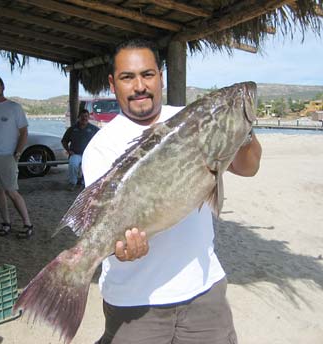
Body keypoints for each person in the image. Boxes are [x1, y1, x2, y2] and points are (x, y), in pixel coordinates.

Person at [82, 39, 262, 344]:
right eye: (128, 77)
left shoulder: (195, 120)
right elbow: (101, 222)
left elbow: (249, 167)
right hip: (134, 304)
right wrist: (118, 248)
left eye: (148, 74)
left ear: (161, 76)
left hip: (204, 293)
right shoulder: (100, 147)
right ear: (113, 84)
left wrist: (240, 128)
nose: (140, 85)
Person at [0, 75, 33, 238]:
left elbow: (24, 132)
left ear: (3, 87)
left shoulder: (14, 107)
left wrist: (17, 153)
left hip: (7, 157)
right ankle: (6, 223)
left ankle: (28, 224)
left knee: (11, 191)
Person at [61, 108, 99, 191]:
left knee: (89, 167)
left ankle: (84, 183)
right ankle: (72, 183)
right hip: (75, 154)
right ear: (79, 117)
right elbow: (64, 141)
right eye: (82, 116)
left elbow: (101, 140)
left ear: (88, 117)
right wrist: (68, 150)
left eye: (86, 116)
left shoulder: (94, 129)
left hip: (89, 155)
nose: (84, 118)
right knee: (73, 164)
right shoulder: (72, 129)